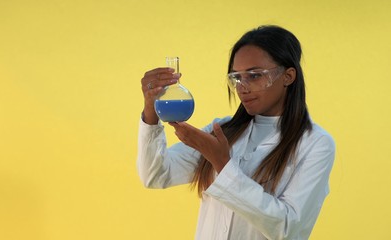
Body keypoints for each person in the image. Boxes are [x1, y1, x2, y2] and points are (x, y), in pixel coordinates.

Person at [137, 25, 335, 240]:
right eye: (237, 78)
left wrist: (221, 163)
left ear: (288, 76)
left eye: (255, 75)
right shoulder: (222, 131)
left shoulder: (316, 144)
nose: (243, 87)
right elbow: (155, 175)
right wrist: (151, 110)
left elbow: (288, 229)